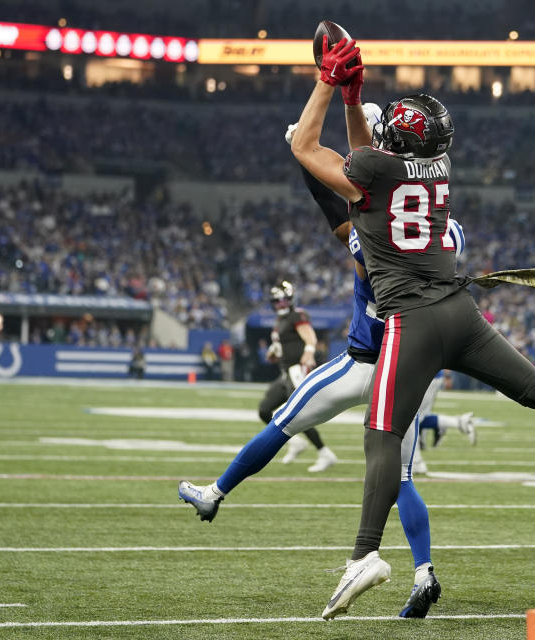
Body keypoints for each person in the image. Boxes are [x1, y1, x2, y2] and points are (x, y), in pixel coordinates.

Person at [289, 36, 535, 620]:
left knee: (380, 436)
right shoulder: (434, 168)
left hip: (413, 321)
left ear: (392, 139)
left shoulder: (375, 169)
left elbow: (306, 145)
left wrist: (329, 82)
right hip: (460, 314)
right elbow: (364, 159)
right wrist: (355, 98)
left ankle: (365, 556)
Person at [178, 105, 472, 619]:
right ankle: (424, 572)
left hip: (366, 363)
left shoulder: (376, 230)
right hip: (413, 367)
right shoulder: (450, 232)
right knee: (400, 478)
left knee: (284, 420)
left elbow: (343, 216)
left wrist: (303, 159)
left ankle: (216, 492)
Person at [263, 281, 337, 473]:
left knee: (298, 414)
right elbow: (281, 348)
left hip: (297, 370)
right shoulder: (280, 321)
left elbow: (310, 337)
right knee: (264, 410)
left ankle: (324, 452)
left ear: (290, 300)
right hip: (284, 372)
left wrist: (310, 351)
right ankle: (295, 442)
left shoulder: (297, 315)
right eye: (277, 302)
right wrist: (274, 353)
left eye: (283, 301)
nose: (280, 305)